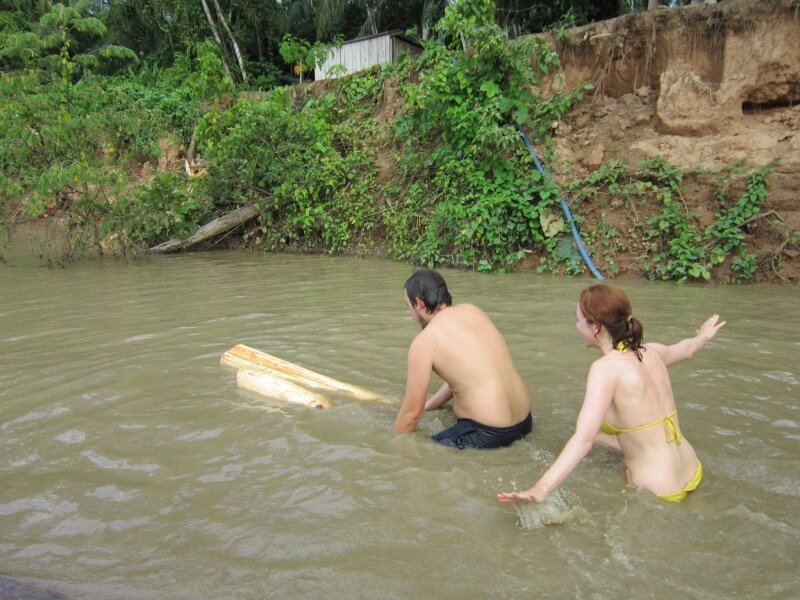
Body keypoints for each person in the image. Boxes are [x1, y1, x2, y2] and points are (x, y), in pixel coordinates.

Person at [498, 283, 725, 504]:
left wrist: (541, 488)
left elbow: (583, 440)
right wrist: (704, 335)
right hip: (692, 470)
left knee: (593, 437)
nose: (577, 326)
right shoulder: (651, 351)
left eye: (578, 320)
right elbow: (687, 349)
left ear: (595, 327)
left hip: (657, 490)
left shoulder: (605, 369)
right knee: (601, 437)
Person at [393, 269, 533, 449]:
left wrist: (394, 449)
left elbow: (411, 414)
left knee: (422, 447)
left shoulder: (424, 342)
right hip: (525, 424)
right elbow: (465, 375)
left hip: (488, 434)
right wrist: (429, 405)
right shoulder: (472, 311)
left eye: (408, 305)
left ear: (419, 304)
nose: (409, 312)